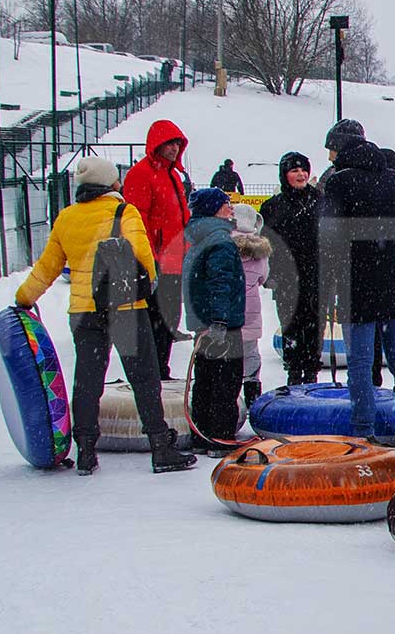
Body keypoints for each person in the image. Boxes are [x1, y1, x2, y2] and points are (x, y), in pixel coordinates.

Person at [13, 152, 195, 476]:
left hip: (84, 312)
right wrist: (148, 285)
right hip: (125, 309)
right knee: (144, 379)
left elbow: (47, 268)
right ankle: (160, 446)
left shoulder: (66, 218)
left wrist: (24, 298)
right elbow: (144, 261)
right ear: (111, 182)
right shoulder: (124, 212)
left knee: (87, 381)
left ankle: (85, 450)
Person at [317, 131, 395, 451]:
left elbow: (330, 239)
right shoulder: (394, 181)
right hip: (393, 282)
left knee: (361, 363)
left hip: (357, 285)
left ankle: (363, 429)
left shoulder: (340, 182)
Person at [121, 119, 194, 379]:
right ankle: (151, 374)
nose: (174, 148)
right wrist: (147, 259)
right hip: (154, 262)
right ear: (156, 145)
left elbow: (180, 218)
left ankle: (161, 369)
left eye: (177, 143)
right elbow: (135, 220)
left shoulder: (173, 175)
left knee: (169, 321)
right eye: (169, 143)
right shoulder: (141, 174)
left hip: (173, 260)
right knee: (155, 321)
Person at [182, 188, 247, 449]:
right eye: (225, 204)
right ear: (213, 209)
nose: (231, 208)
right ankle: (220, 435)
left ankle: (202, 432)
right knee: (226, 380)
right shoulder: (220, 240)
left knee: (206, 379)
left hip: (203, 324)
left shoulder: (199, 239)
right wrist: (220, 321)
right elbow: (220, 283)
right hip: (223, 325)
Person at [260, 152, 323, 385]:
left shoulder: (320, 201)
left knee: (314, 327)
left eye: (304, 170)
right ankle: (294, 374)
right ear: (284, 175)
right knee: (291, 325)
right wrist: (270, 274)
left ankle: (312, 374)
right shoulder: (273, 207)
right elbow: (266, 244)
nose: (301, 174)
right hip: (287, 278)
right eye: (295, 170)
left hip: (316, 277)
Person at [230, 203, 272, 414]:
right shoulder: (260, 250)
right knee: (251, 355)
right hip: (252, 311)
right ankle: (252, 395)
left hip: (229, 311)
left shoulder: (223, 244)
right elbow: (264, 277)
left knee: (229, 359)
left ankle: (231, 401)